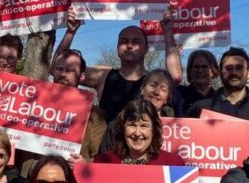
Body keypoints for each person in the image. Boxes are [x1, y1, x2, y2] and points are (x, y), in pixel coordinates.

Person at [55, 7, 183, 120]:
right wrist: (70, 32)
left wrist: (167, 32)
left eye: (136, 41)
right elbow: (57, 68)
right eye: (124, 41)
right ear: (117, 47)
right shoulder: (103, 76)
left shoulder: (153, 81)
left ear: (146, 48)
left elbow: (175, 76)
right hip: (106, 145)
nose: (129, 45)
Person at [51, 49, 107, 162]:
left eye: (69, 70)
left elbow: (101, 158)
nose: (63, 74)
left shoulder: (95, 115)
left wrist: (84, 164)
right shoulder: (32, 103)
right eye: (59, 69)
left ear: (81, 77)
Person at [188, 47, 249, 122]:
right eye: (229, 68)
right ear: (220, 73)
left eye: (239, 68)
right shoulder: (200, 108)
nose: (234, 72)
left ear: (248, 73)